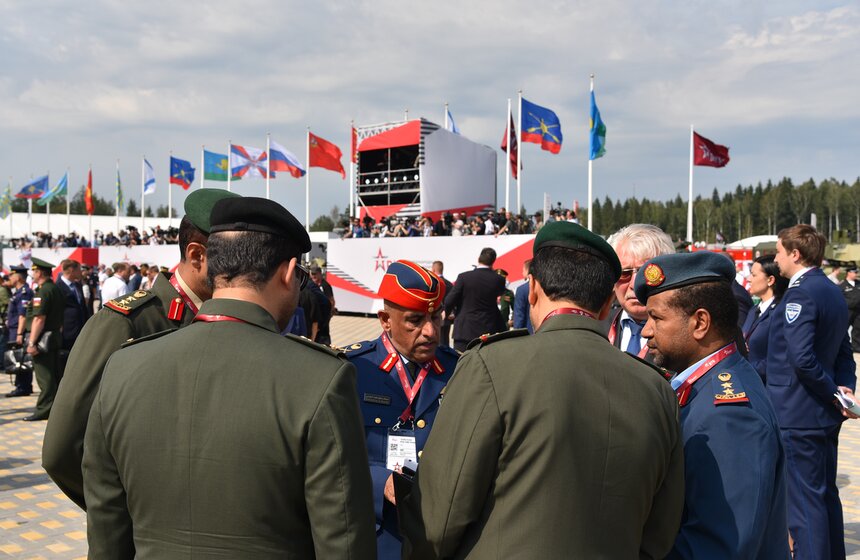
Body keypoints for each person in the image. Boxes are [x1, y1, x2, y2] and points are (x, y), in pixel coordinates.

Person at [83, 196, 375, 558]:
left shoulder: (123, 368)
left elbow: (106, 533)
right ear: (288, 273)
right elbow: (344, 544)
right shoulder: (322, 379)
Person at [398, 221, 684, 559]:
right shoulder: (657, 388)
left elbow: (440, 518)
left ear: (532, 289)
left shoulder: (491, 365)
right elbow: (660, 533)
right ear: (608, 304)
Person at [43, 188, 240, 510]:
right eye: (236, 257)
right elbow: (62, 450)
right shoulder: (127, 323)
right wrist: (128, 514)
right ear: (197, 256)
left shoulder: (226, 317)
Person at [634, 250, 789, 559]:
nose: (646, 330)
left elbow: (719, 545)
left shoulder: (729, 414)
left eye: (657, 317)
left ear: (700, 322)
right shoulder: (707, 384)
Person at [345, 259, 458, 559]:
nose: (431, 332)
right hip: (378, 535)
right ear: (385, 319)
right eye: (415, 320)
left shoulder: (460, 370)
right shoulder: (353, 371)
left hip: (438, 537)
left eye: (436, 318)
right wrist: (380, 483)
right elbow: (331, 458)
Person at [768, 224, 858, 559]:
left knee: (804, 506)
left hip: (799, 411)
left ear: (795, 254)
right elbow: (844, 351)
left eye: (779, 252)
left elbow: (801, 358)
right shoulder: (831, 289)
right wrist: (844, 386)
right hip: (820, 413)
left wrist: (834, 393)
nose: (776, 259)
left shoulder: (801, 293)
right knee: (823, 496)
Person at [605, 224, 675, 359]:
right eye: (624, 274)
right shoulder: (597, 328)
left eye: (646, 273)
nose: (634, 285)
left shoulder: (684, 336)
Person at [22, 258, 65, 421]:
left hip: (42, 340)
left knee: (45, 376)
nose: (32, 274)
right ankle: (55, 408)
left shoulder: (44, 291)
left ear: (39, 272)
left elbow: (39, 318)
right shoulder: (54, 289)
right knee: (54, 374)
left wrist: (32, 343)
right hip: (53, 337)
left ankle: (44, 409)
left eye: (34, 271)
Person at [445, 247, 506, 351]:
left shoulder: (464, 277)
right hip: (488, 330)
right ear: (493, 261)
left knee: (461, 363)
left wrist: (446, 313)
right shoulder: (499, 279)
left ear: (478, 259)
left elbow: (450, 299)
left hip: (464, 330)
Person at [743, 255, 789, 381]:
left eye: (754, 275)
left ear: (770, 280)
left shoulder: (780, 311)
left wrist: (747, 370)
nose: (749, 279)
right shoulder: (754, 310)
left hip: (768, 385)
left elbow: (780, 357)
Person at [5, 265, 33, 397]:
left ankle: (23, 386)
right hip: (14, 329)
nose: (9, 277)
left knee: (20, 358)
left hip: (18, 330)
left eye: (12, 275)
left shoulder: (24, 292)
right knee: (17, 357)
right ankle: (22, 385)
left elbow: (23, 315)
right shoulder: (17, 291)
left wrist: (20, 334)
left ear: (18, 277)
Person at [430, 261, 453, 347]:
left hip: (434, 317)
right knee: (445, 343)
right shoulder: (449, 284)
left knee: (435, 344)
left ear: (433, 269)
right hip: (446, 318)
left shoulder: (432, 283)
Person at [840, 265, 860, 352]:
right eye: (855, 272)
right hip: (847, 311)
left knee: (857, 329)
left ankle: (856, 348)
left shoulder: (859, 283)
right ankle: (840, 346)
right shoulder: (842, 285)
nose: (856, 274)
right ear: (849, 272)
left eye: (857, 272)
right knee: (843, 329)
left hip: (858, 311)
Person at [512, 259, 533, 333]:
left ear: (527, 271)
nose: (522, 272)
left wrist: (516, 334)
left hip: (528, 333)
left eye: (523, 270)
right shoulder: (545, 287)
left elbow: (519, 316)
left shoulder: (521, 290)